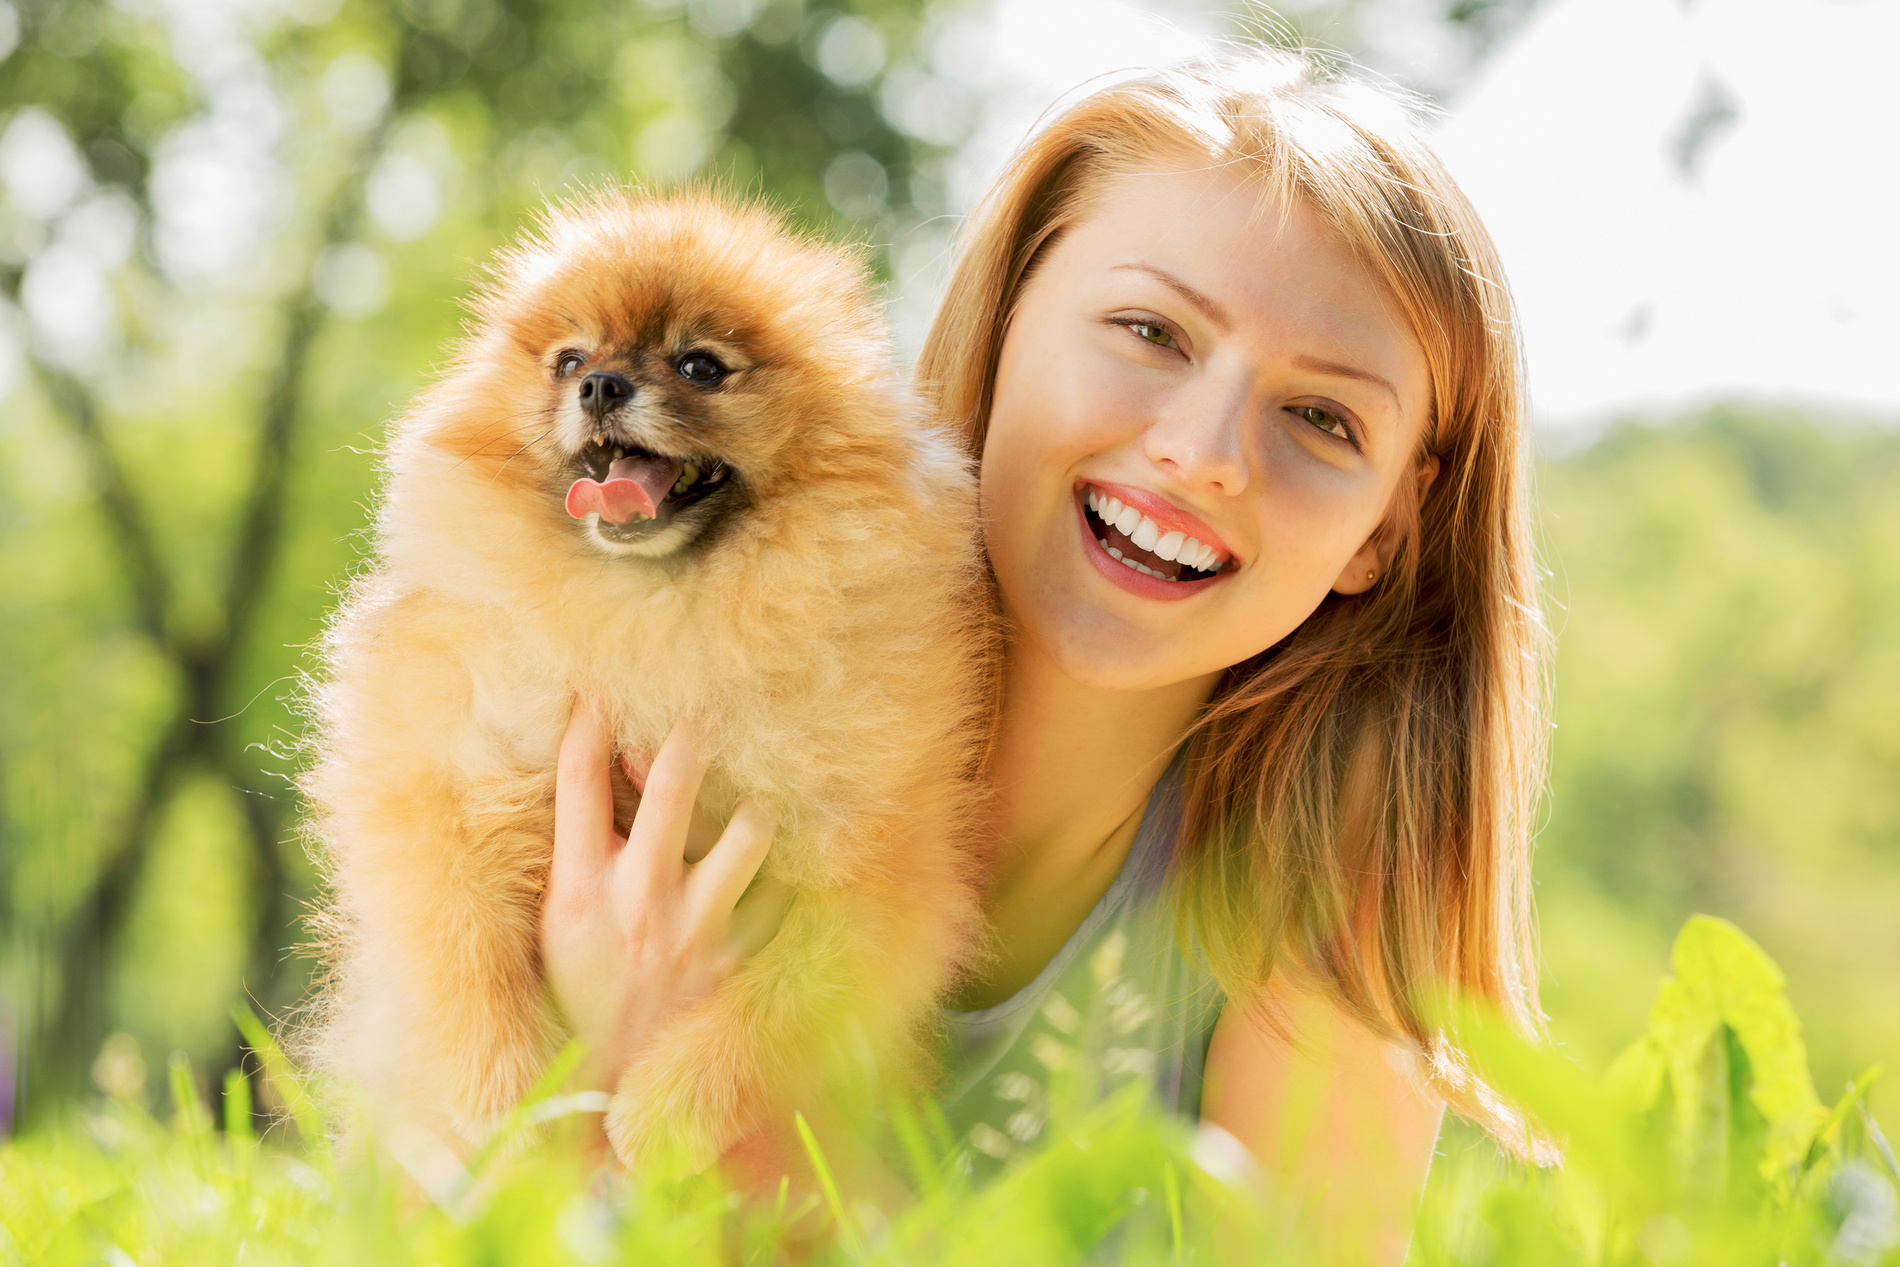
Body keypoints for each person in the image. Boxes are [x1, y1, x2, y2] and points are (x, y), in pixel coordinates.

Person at [539, 48, 1547, 1263]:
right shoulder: (680, 691)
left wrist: (717, 1094)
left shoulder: (1318, 896)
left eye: (1322, 418)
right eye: (1150, 332)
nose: (1203, 449)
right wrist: (609, 1060)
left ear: (1385, 527)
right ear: (1006, 322)